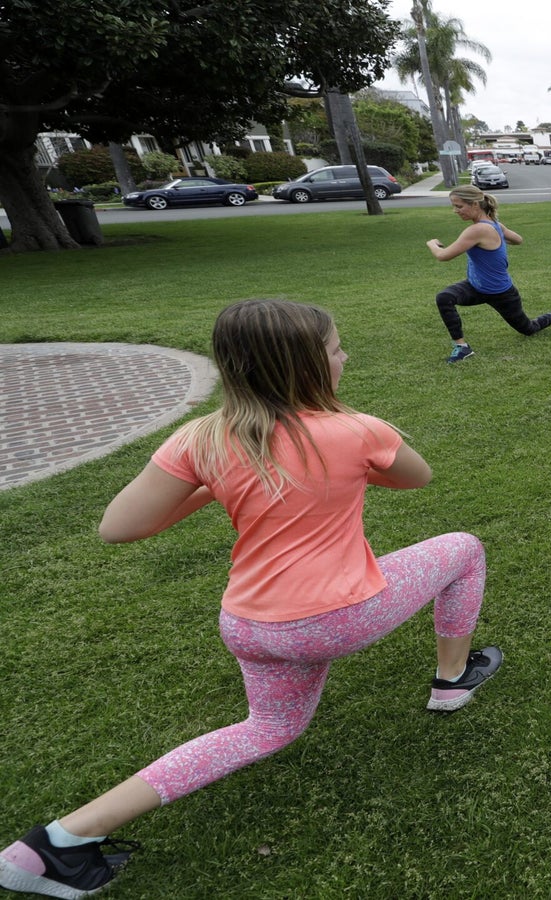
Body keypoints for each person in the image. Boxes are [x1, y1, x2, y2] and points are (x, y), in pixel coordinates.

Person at [0, 299, 502, 900]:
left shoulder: (201, 438)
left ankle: (56, 841)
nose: (347, 357)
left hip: (249, 625)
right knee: (464, 547)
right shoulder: (355, 429)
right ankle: (452, 681)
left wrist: (223, 484)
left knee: (267, 729)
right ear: (307, 367)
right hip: (336, 619)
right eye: (337, 349)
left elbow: (120, 526)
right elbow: (415, 477)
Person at [427, 184, 551, 364]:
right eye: (454, 206)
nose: (455, 211)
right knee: (445, 297)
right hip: (476, 286)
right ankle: (462, 348)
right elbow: (518, 239)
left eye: (459, 206)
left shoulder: (478, 229)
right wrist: (497, 241)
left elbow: (443, 256)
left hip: (500, 292)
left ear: (475, 205)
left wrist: (432, 244)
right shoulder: (494, 224)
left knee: (529, 329)